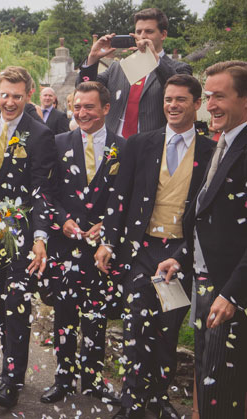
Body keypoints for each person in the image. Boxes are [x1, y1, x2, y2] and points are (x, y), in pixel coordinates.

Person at [94, 74, 215, 419]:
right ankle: (130, 400)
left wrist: (183, 255)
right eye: (167, 100)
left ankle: (159, 399)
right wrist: (108, 242)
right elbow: (121, 197)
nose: (172, 106)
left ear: (197, 103)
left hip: (180, 252)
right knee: (135, 325)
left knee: (168, 330)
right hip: (142, 249)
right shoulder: (141, 143)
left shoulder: (210, 151)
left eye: (180, 100)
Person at [157, 61, 247, 419]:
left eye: (219, 96)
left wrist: (233, 293)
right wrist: (181, 255)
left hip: (231, 291)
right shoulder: (223, 141)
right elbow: (207, 216)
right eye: (208, 96)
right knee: (207, 376)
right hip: (205, 283)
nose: (210, 105)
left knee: (225, 392)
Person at [0, 65, 57, 408]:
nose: (9, 102)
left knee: (17, 304)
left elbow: (42, 191)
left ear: (29, 94)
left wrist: (39, 236)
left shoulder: (39, 134)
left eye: (17, 96)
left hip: (22, 235)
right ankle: (7, 367)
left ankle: (13, 378)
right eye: (4, 95)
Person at [42, 82, 124, 405]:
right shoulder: (59, 142)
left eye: (89, 107)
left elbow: (124, 196)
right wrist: (62, 220)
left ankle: (92, 378)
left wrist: (108, 225)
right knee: (64, 312)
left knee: (96, 313)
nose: (81, 113)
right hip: (66, 244)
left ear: (105, 108)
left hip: (102, 248)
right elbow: (47, 192)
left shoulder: (122, 147)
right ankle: (63, 377)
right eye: (77, 107)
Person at [78, 8, 192, 138]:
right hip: (114, 147)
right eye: (138, 31)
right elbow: (84, 89)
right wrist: (92, 58)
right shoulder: (117, 68)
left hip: (152, 146)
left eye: (149, 31)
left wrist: (153, 57)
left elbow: (180, 90)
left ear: (163, 35)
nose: (142, 36)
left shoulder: (179, 68)